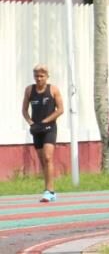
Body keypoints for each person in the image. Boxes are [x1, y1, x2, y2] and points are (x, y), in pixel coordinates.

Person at [22, 64, 64, 203]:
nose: (39, 79)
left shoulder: (53, 89)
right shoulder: (29, 90)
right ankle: (48, 188)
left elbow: (60, 110)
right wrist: (31, 123)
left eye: (41, 76)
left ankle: (50, 191)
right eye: (36, 76)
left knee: (48, 157)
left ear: (47, 77)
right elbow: (24, 110)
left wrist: (46, 121)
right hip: (36, 129)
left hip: (49, 128)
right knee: (42, 161)